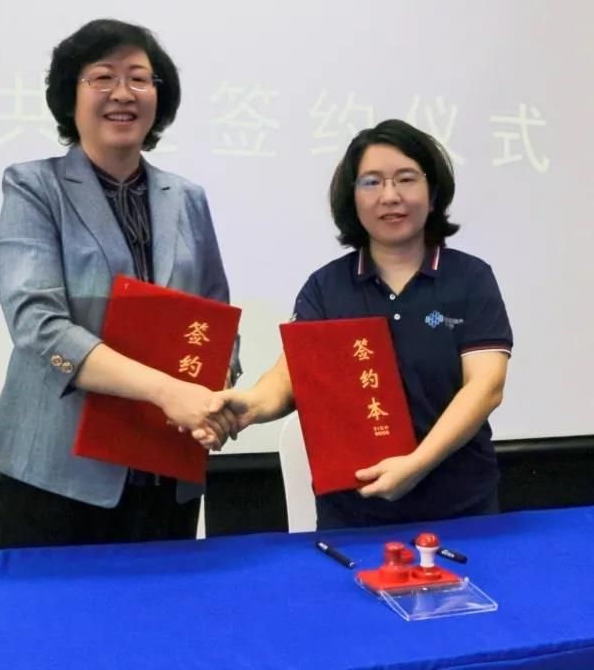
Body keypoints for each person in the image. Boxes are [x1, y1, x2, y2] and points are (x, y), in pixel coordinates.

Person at [0, 19, 239, 547]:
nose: (123, 93)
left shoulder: (186, 198)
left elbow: (215, 317)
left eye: (139, 78)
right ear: (69, 96)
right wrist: (169, 391)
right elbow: (38, 326)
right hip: (60, 470)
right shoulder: (35, 186)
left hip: (165, 465)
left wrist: (214, 394)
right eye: (103, 77)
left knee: (164, 599)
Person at [197, 119, 511, 530]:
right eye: (371, 182)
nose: (390, 196)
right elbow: (291, 376)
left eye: (406, 179)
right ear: (352, 197)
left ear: (432, 192)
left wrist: (416, 464)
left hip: (461, 510)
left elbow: (486, 386)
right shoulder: (326, 287)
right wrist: (250, 405)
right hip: (356, 514)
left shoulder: (470, 279)